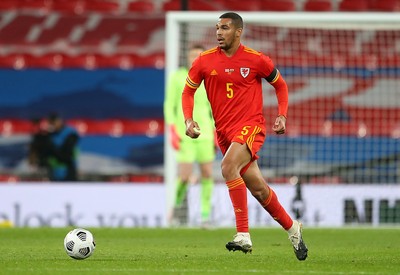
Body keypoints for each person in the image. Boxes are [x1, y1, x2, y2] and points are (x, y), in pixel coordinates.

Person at [181, 12, 308, 260]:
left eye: (225, 28)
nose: (219, 32)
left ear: (238, 32)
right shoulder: (204, 61)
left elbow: (280, 85)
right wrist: (189, 119)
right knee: (259, 189)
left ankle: (243, 234)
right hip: (224, 133)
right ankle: (293, 228)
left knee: (228, 167)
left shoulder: (256, 60)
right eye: (217, 28)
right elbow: (188, 92)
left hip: (251, 126)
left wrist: (282, 115)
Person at [164, 44, 216, 227]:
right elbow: (169, 105)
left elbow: (214, 107)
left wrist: (217, 130)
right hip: (184, 132)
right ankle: (176, 208)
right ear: (187, 57)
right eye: (191, 55)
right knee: (184, 176)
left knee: (207, 174)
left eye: (197, 55)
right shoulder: (177, 77)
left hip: (206, 133)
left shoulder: (209, 77)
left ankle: (205, 215)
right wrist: (171, 130)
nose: (194, 58)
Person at [45, 113, 80, 181]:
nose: (52, 125)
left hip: (68, 170)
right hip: (54, 170)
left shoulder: (70, 133)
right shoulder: (51, 135)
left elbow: (67, 153)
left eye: (53, 123)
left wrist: (53, 149)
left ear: (59, 121)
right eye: (50, 123)